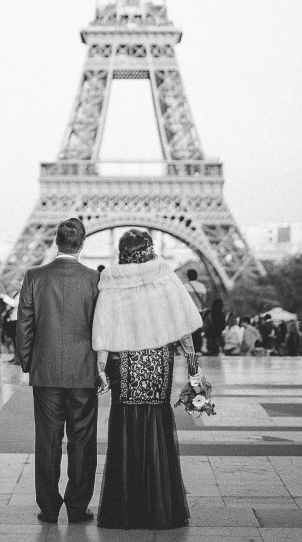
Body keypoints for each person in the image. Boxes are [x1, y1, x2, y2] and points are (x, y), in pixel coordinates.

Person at [92, 229, 203, 530]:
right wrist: (193, 366)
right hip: (157, 361)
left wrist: (101, 369)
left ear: (122, 251)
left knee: (125, 423)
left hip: (124, 362)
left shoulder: (111, 280)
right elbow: (184, 326)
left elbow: (102, 329)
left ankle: (125, 508)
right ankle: (158, 506)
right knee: (157, 420)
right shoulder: (165, 276)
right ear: (149, 248)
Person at [16, 217, 99, 526]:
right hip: (83, 371)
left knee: (48, 441)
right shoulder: (94, 279)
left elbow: (25, 323)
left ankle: (49, 507)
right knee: (82, 441)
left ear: (56, 242)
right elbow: (99, 328)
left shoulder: (34, 276)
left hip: (46, 371)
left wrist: (29, 362)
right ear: (82, 242)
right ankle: (78, 507)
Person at [184, 269, 207, 353]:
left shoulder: (184, 286)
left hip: (189, 311)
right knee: (198, 330)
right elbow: (204, 300)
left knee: (189, 330)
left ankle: (190, 349)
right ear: (197, 276)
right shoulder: (202, 286)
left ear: (188, 276)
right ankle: (198, 348)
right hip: (199, 311)